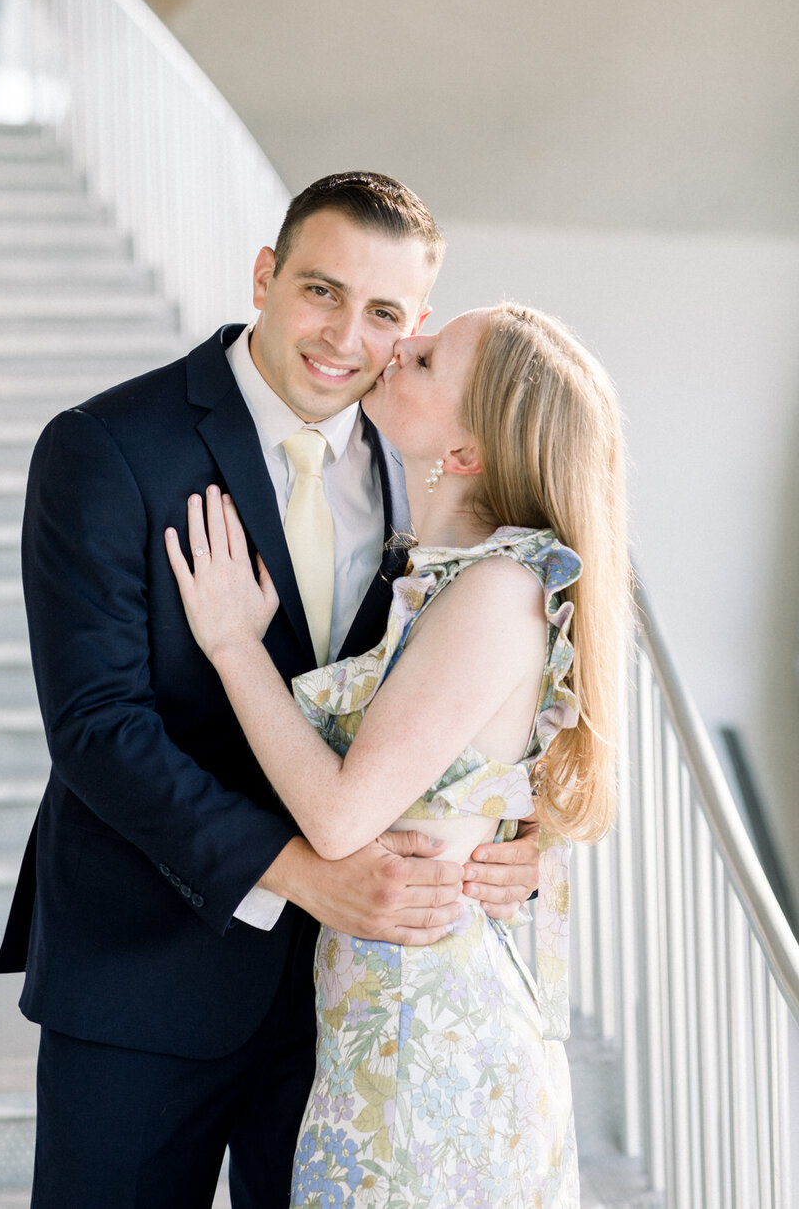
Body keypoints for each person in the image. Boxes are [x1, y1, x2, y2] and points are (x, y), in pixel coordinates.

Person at [0, 173, 540, 1208]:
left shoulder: (421, 454)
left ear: (413, 326)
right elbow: (98, 729)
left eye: (383, 313)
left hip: (346, 996)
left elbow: (463, 696)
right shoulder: (107, 447)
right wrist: (300, 874)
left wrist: (513, 845)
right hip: (145, 971)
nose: (344, 336)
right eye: (321, 291)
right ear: (265, 276)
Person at [167, 302, 629, 1208]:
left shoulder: (497, 589)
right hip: (388, 1027)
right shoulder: (450, 575)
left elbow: (341, 816)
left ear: (465, 453)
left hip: (429, 1049)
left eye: (424, 360)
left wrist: (233, 646)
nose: (397, 347)